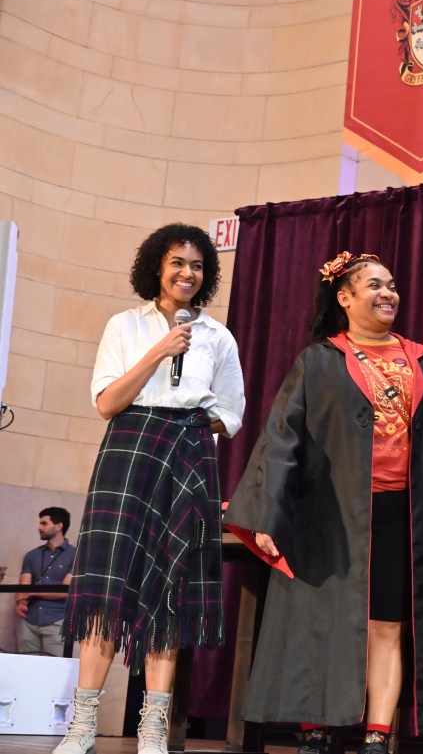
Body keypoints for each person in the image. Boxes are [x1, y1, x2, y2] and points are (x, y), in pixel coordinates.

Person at [222, 252, 423, 754]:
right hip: (329, 514)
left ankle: (376, 735)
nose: (388, 293)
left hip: (401, 516)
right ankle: (316, 730)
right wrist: (266, 514)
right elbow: (282, 440)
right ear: (344, 298)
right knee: (321, 623)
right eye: (375, 286)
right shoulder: (319, 361)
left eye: (392, 285)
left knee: (388, 625)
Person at [55, 223, 246, 754]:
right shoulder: (124, 325)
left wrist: (190, 426)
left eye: (198, 266)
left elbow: (231, 413)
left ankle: (154, 726)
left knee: (173, 588)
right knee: (106, 587)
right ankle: (83, 723)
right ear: (157, 268)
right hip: (128, 448)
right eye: (177, 263)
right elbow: (107, 403)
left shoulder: (218, 337)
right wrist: (159, 351)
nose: (188, 273)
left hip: (188, 453)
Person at [15, 507, 76, 656]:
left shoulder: (76, 555)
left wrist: (33, 592)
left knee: (55, 668)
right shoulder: (31, 555)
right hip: (29, 621)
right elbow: (24, 586)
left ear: (59, 526)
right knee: (25, 666)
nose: (39, 527)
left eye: (44, 523)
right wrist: (22, 603)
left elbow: (67, 590)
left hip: (57, 620)